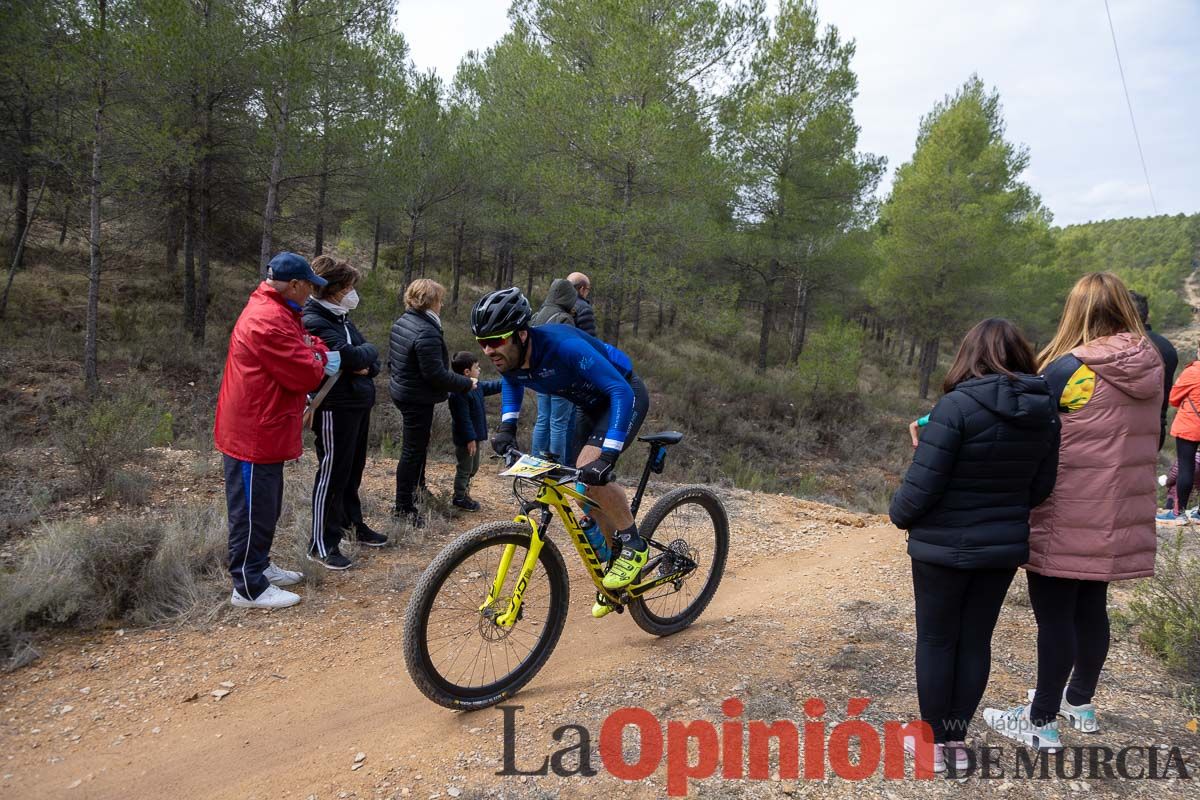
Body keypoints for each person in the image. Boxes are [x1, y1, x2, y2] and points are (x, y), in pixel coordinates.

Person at [985, 272, 1162, 751]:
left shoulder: (1074, 368)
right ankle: (1078, 699)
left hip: (1068, 507)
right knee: (1091, 607)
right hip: (1117, 508)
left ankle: (1040, 721)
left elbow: (1027, 420)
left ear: (1077, 312)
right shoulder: (1151, 362)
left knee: (1056, 615)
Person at [890, 319, 1059, 773]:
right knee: (974, 641)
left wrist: (900, 513)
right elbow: (1041, 488)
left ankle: (932, 744)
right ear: (1021, 355)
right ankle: (955, 743)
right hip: (1000, 547)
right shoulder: (1044, 412)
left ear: (969, 355)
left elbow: (918, 492)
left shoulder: (955, 408)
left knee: (937, 639)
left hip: (941, 548)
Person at [471, 287, 649, 618]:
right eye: (482, 342)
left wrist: (607, 455)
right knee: (582, 490)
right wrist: (507, 427)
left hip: (623, 395)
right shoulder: (510, 355)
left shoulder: (564, 347)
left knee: (590, 470)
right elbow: (512, 381)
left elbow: (620, 390)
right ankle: (616, 561)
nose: (487, 349)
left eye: (495, 341)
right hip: (589, 405)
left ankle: (634, 544)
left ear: (521, 334)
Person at [214, 252, 339, 609]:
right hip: (253, 431)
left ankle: (260, 566)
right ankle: (248, 587)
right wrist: (316, 359)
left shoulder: (281, 311)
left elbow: (311, 348)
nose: (311, 294)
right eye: (309, 288)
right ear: (295, 284)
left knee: (265, 505)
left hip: (264, 425)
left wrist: (313, 353)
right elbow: (305, 370)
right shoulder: (268, 319)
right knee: (251, 510)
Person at [302, 255, 386, 570]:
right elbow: (351, 357)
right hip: (334, 408)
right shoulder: (315, 319)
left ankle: (353, 525)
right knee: (333, 474)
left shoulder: (340, 316)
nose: (352, 293)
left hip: (357, 404)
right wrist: (360, 358)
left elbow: (369, 358)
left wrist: (365, 359)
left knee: (352, 471)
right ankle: (321, 543)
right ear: (334, 289)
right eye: (348, 286)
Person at [388, 278, 476, 527]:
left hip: (405, 391)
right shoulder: (426, 331)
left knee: (418, 446)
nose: (442, 304)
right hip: (415, 397)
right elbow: (435, 374)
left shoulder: (404, 320)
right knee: (412, 451)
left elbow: (394, 360)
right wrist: (466, 383)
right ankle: (403, 506)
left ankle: (418, 488)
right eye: (439, 299)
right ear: (430, 302)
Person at [446, 351, 503, 511]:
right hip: (466, 439)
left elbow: (491, 386)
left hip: (474, 437)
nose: (479, 370)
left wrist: (508, 381)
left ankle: (464, 493)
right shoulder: (458, 393)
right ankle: (459, 497)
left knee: (474, 467)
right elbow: (463, 419)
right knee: (465, 468)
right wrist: (470, 439)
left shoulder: (476, 386)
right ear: (466, 372)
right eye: (476, 368)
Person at [530, 278, 578, 462]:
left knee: (543, 419)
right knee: (559, 424)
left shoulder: (536, 316)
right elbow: (570, 351)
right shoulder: (564, 318)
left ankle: (536, 463)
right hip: (561, 378)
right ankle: (556, 467)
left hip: (540, 377)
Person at [1129, 290, 1178, 448]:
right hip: (1156, 428)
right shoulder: (1166, 347)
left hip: (1122, 431)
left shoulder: (1115, 347)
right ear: (1147, 316)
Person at [1159, 358, 1200, 524]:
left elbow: (1174, 398)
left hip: (1190, 425)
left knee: (1186, 467)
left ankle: (1179, 513)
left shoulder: (1193, 372)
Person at [567, 271, 596, 337]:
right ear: (582, 289)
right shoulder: (584, 309)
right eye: (588, 289)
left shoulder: (552, 302)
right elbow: (589, 339)